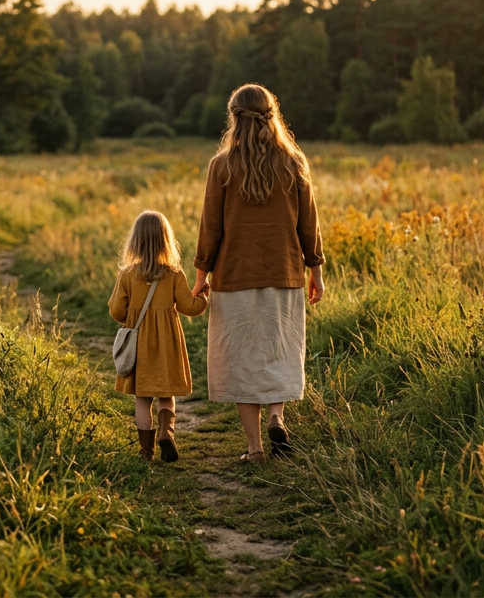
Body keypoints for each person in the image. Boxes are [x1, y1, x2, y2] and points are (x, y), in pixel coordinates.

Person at [192, 83, 325, 465]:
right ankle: (277, 418)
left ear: (234, 118)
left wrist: (202, 274)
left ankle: (254, 449)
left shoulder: (222, 165)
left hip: (234, 277)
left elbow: (210, 227)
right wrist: (315, 269)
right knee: (278, 352)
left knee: (241, 360)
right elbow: (309, 223)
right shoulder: (294, 161)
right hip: (284, 274)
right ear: (272, 114)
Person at [109, 210, 209, 462]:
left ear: (135, 241)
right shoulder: (174, 274)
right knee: (167, 395)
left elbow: (116, 310)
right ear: (166, 240)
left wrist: (130, 316)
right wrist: (204, 296)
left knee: (142, 400)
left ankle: (146, 452)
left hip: (139, 346)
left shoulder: (128, 274)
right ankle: (166, 433)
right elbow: (190, 308)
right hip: (168, 346)